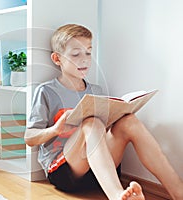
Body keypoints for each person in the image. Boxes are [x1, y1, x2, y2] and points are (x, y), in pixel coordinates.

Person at [24, 24, 183, 200]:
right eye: (76, 54)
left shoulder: (96, 91)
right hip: (64, 172)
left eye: (88, 53)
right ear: (57, 59)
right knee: (91, 123)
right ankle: (116, 195)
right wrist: (55, 129)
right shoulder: (46, 91)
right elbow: (29, 137)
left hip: (99, 172)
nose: (84, 59)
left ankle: (179, 192)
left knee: (129, 120)